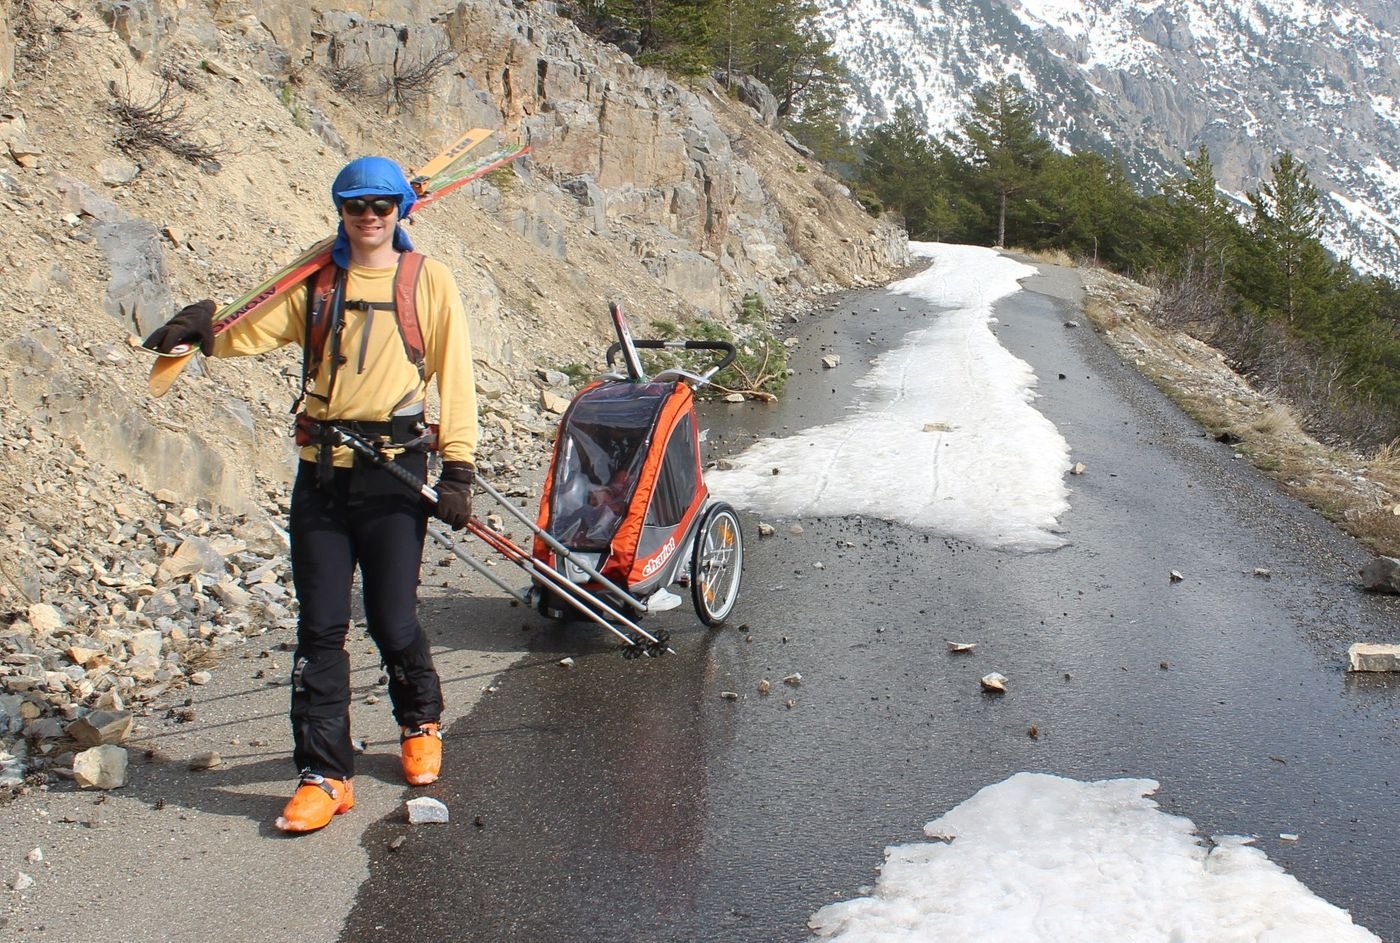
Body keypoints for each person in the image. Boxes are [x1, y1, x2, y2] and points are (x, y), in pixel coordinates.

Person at [143, 156, 479, 833]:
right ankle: (325, 773)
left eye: (382, 205)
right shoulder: (318, 281)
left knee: (391, 619)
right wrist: (204, 334)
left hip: (395, 474)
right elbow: (255, 329)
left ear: (400, 211)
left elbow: (457, 378)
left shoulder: (428, 281)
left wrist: (459, 471)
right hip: (322, 475)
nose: (370, 216)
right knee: (320, 628)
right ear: (342, 211)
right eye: (357, 206)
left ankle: (419, 718)